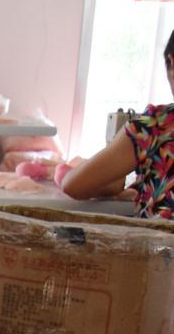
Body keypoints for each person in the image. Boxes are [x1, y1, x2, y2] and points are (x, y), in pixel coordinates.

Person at [62, 30, 174, 220]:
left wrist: (113, 186)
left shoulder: (156, 126)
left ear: (172, 62)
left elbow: (73, 185)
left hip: (158, 249)